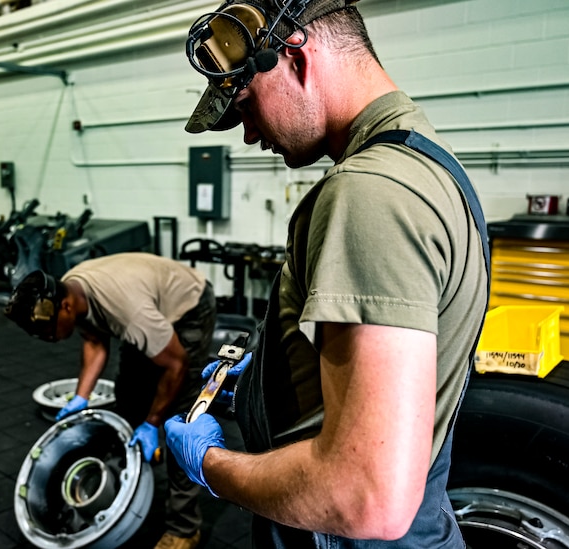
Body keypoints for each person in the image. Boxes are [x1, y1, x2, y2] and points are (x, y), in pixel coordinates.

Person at [164, 1, 489, 548]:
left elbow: (365, 496)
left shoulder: (369, 194)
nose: (248, 136)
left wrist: (211, 466)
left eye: (246, 107)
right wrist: (272, 378)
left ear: (297, 55)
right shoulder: (429, 164)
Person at [3, 252, 216, 549]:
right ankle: (124, 480)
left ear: (65, 307)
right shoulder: (72, 289)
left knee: (179, 421)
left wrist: (153, 422)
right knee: (128, 396)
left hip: (188, 305)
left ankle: (184, 527)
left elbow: (176, 365)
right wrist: (80, 397)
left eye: (46, 331)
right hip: (143, 302)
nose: (46, 339)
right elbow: (94, 339)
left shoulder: (128, 312)